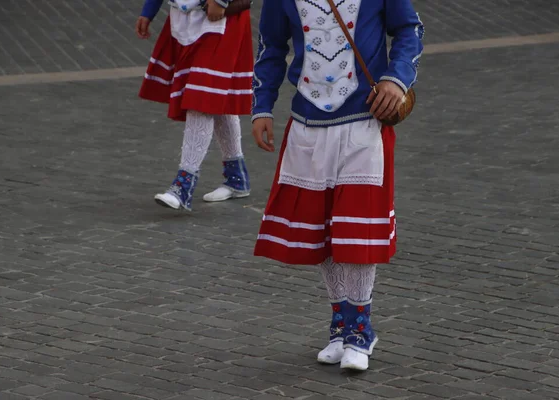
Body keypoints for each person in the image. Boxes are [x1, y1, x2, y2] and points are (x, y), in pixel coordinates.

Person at [251, 0, 424, 371]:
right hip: (307, 124)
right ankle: (342, 324)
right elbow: (272, 46)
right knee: (321, 226)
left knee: (355, 228)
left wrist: (397, 78)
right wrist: (262, 106)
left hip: (363, 120)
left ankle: (360, 329)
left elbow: (409, 29)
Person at [136, 0, 253, 211]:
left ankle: (183, 184)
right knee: (212, 94)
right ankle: (237, 178)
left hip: (220, 18)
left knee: (202, 96)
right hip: (186, 16)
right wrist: (149, 10)